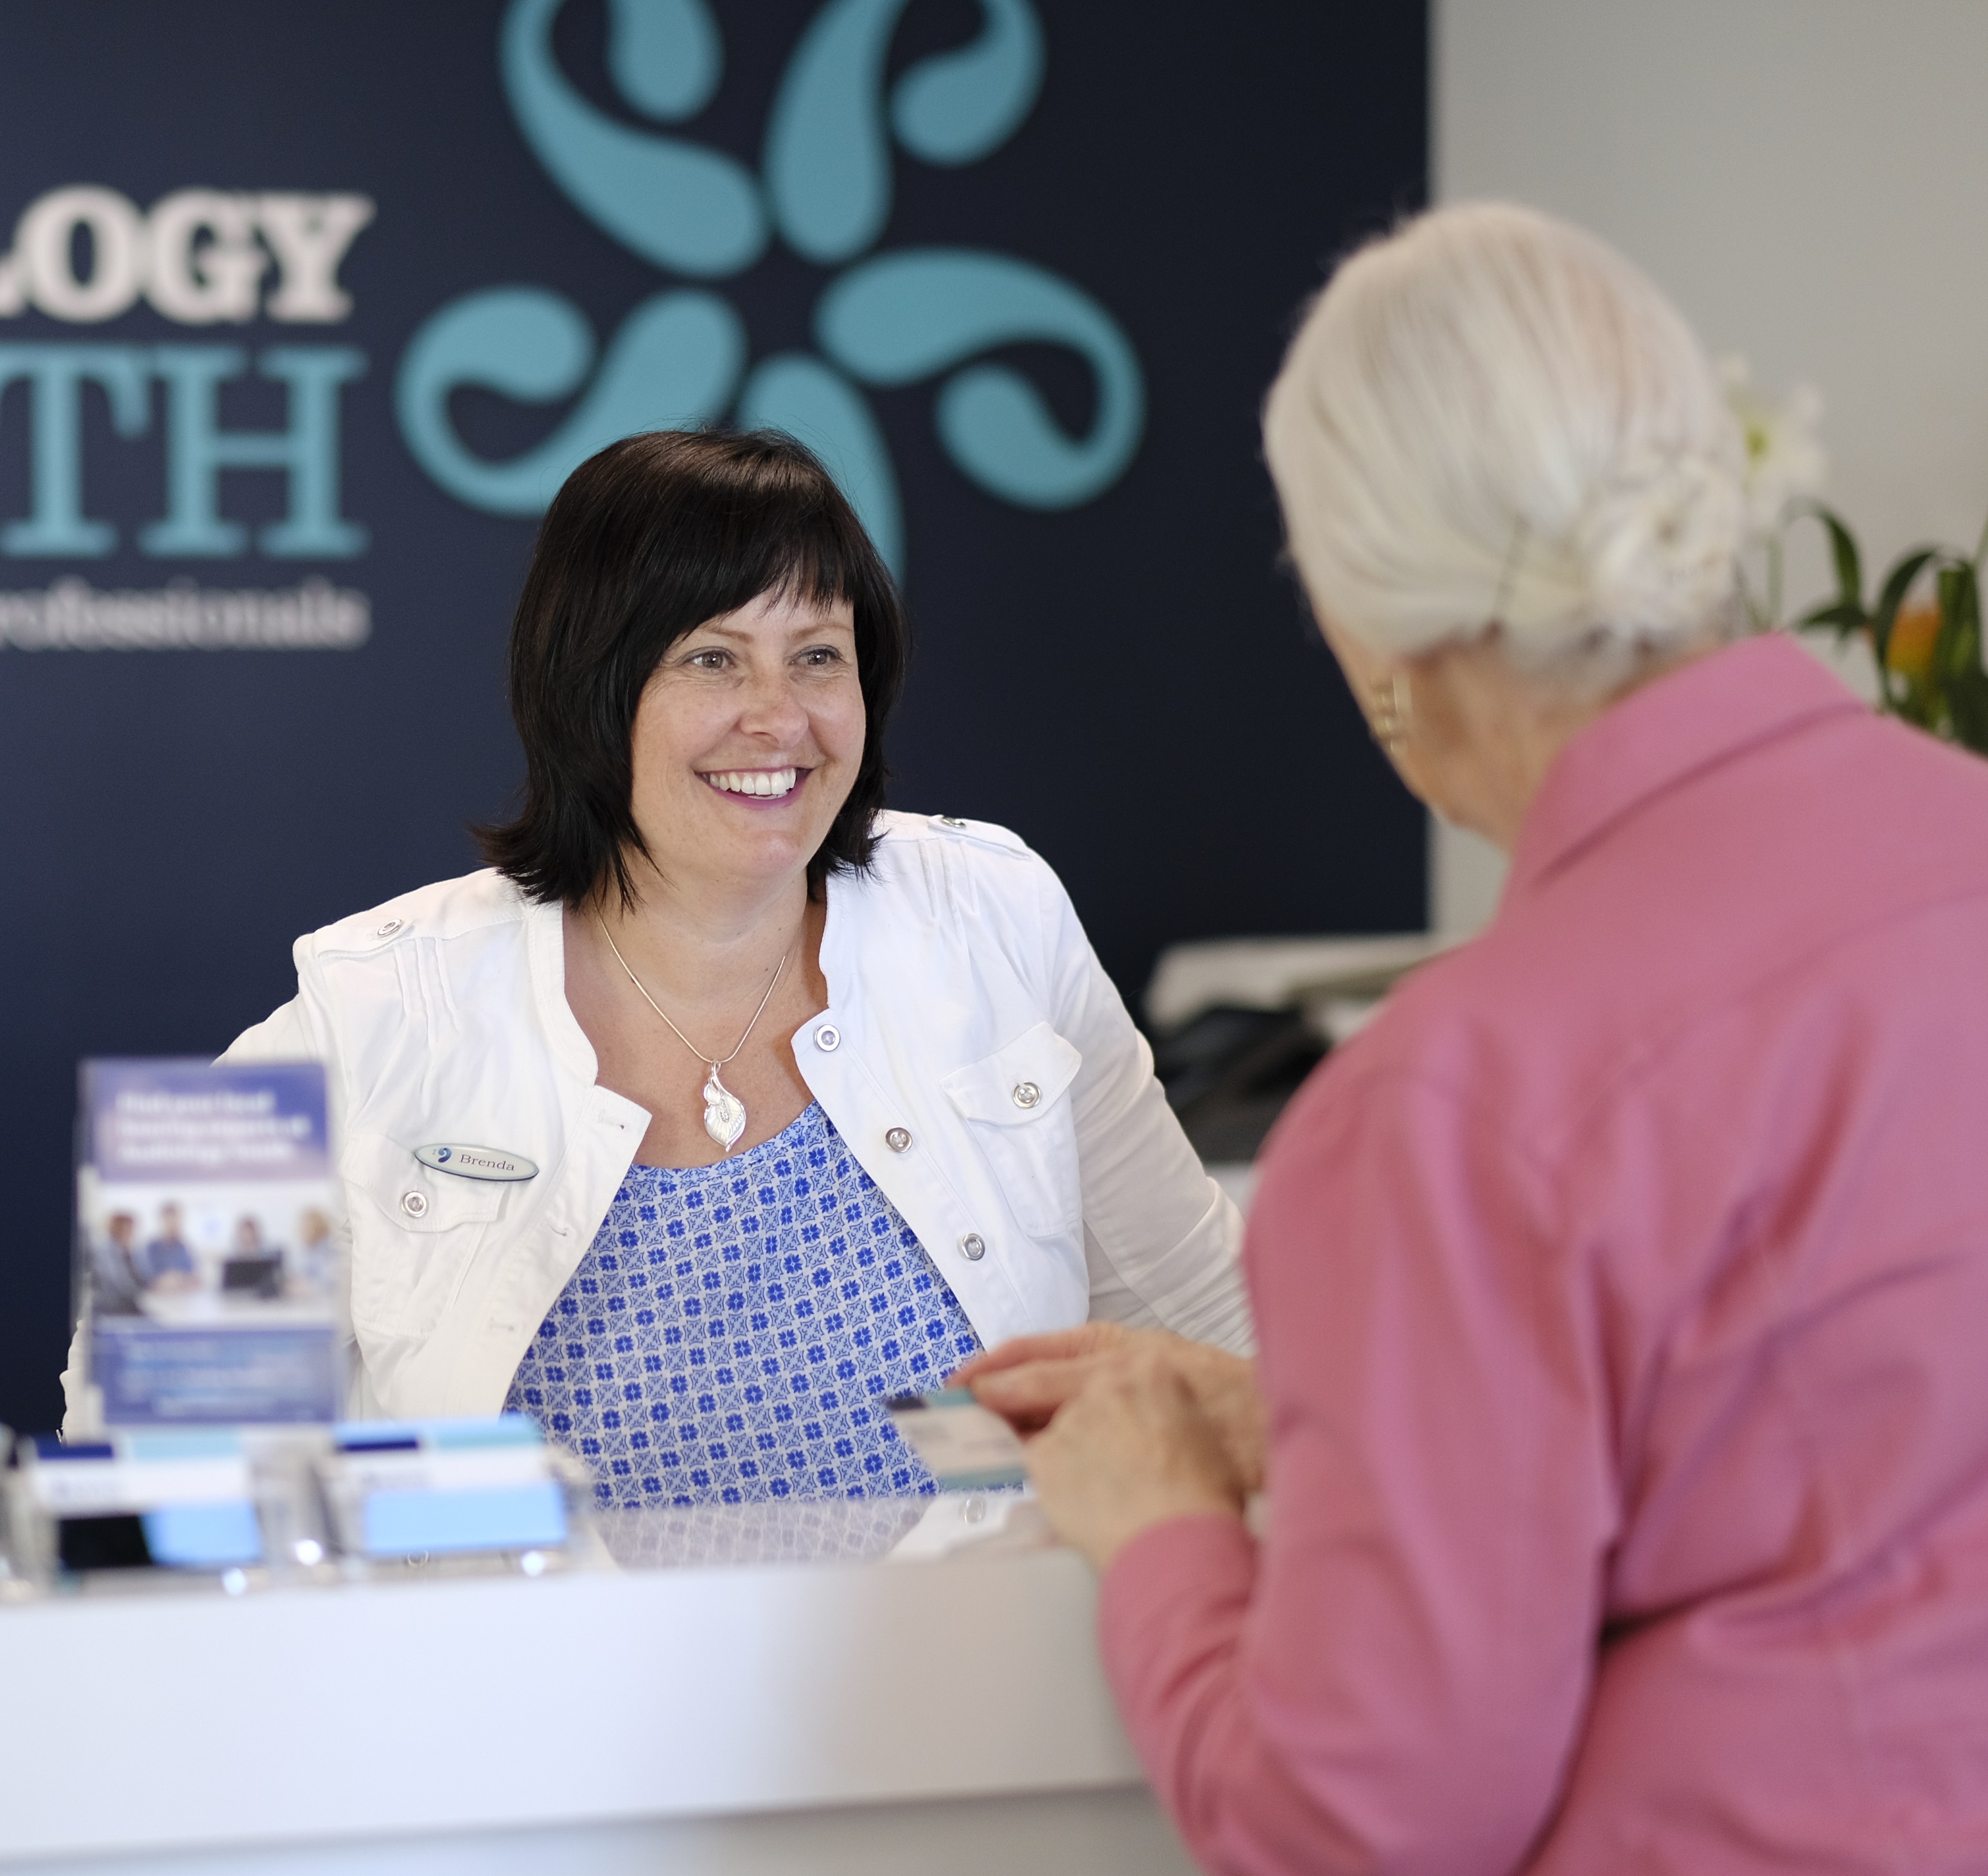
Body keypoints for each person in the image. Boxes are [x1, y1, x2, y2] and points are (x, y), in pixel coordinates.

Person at [962, 203, 1988, 1871]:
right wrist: (1327, 1410)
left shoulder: (1451, 1103)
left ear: (1374, 632)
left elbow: (1359, 1824)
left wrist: (1156, 1528)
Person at [214, 428, 1250, 1507]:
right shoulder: (363, 1011)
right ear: (593, 690)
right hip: (518, 1677)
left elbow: (1212, 1334)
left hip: (973, 1659)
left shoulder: (992, 914)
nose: (779, 717)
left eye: (817, 656)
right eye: (712, 657)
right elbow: (171, 1480)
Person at [136, 1202, 197, 1293]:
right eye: (171, 1222)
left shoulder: (183, 1248)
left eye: (178, 1221)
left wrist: (181, 1279)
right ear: (164, 1221)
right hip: (158, 1297)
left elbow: (194, 1276)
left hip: (183, 1297)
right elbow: (148, 1280)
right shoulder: (150, 1248)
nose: (175, 1226)